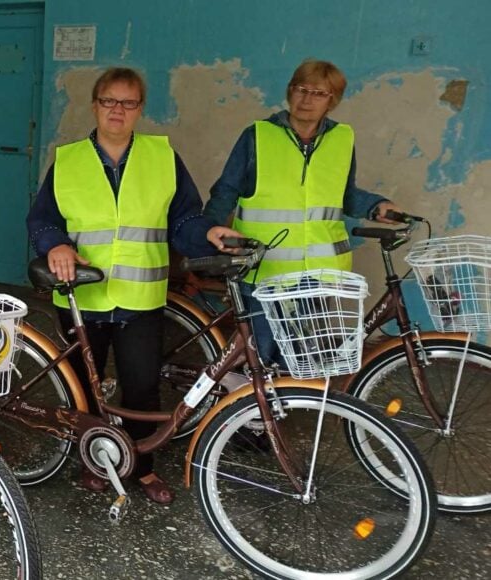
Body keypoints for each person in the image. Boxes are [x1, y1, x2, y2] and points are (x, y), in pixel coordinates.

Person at [27, 67, 241, 505]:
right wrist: (56, 246)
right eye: (109, 101)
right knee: (85, 388)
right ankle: (96, 462)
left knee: (141, 386)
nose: (117, 111)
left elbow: (183, 218)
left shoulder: (162, 157)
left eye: (128, 103)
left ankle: (141, 468)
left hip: (140, 297)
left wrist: (208, 234)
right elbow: (42, 219)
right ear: (95, 105)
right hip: (82, 294)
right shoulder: (68, 160)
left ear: (140, 108)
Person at [204, 59, 403, 368]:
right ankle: (245, 409)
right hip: (263, 270)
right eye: (301, 89)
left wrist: (377, 205)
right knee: (261, 352)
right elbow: (225, 191)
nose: (307, 99)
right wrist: (208, 236)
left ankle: (279, 410)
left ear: (332, 100)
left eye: (318, 93)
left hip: (315, 273)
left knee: (298, 355)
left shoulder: (341, 139)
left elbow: (344, 194)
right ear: (289, 92)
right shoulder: (257, 136)